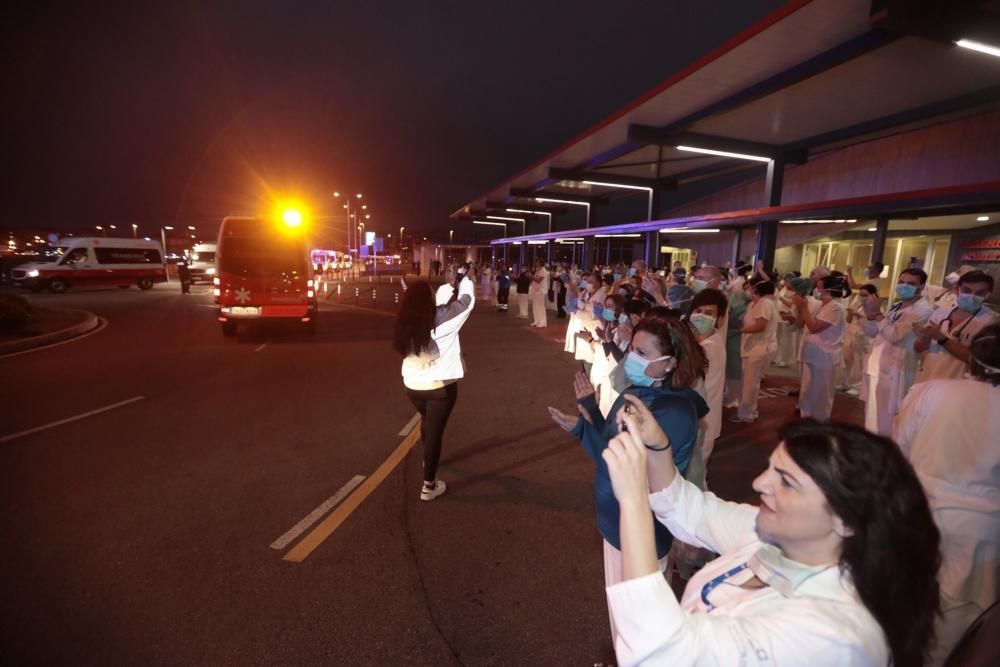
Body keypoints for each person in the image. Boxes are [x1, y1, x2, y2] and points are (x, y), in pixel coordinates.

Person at [602, 403, 940, 667]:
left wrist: (632, 501)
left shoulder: (834, 636)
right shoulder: (780, 541)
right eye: (770, 469)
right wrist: (657, 447)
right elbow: (690, 510)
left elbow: (662, 654)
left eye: (786, 482)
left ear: (847, 522)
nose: (759, 483)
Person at [547, 316, 708, 643]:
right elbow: (612, 441)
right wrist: (588, 410)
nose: (632, 358)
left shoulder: (675, 412)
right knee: (622, 611)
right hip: (614, 521)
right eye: (632, 349)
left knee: (642, 621)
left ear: (670, 363)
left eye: (643, 353)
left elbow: (628, 469)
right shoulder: (636, 393)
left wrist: (581, 430)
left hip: (641, 530)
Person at [893, 325, 1000, 665]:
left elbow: (899, 450)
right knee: (955, 626)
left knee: (904, 608)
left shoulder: (929, 392)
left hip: (918, 514)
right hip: (982, 534)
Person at [393, 269, 475, 501]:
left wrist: (451, 285)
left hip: (412, 386)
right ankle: (429, 485)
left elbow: (436, 304)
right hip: (439, 386)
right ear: (428, 300)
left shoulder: (404, 320)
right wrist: (466, 281)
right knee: (435, 432)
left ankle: (427, 460)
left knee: (427, 421)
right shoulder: (442, 316)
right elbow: (466, 303)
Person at [859, 268, 933, 435]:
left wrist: (877, 314)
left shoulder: (923, 310)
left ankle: (885, 455)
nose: (904, 286)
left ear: (921, 286)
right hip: (876, 366)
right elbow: (873, 332)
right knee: (871, 416)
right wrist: (869, 315)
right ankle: (872, 451)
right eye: (901, 282)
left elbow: (895, 335)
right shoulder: (896, 306)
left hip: (895, 372)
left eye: (911, 283)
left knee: (887, 420)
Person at [914, 270, 999, 382]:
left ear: (988, 294)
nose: (971, 296)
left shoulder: (993, 322)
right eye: (967, 290)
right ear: (958, 289)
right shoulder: (940, 313)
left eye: (979, 293)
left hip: (959, 386)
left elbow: (980, 361)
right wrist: (924, 338)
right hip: (927, 378)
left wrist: (943, 339)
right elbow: (918, 348)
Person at [792, 274, 848, 422]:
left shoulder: (836, 307)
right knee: (807, 391)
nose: (816, 289)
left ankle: (819, 423)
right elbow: (802, 323)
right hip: (813, 354)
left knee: (821, 394)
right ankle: (806, 420)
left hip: (825, 357)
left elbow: (814, 327)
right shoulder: (821, 305)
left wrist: (803, 307)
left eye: (819, 287)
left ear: (828, 290)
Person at [687, 288, 727, 468]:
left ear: (720, 319)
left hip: (702, 421)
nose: (701, 316)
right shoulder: (701, 341)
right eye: (698, 311)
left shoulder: (710, 347)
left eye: (709, 313)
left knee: (694, 475)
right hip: (694, 419)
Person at [731, 276, 778, 423]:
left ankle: (746, 413)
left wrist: (740, 331)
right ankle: (749, 409)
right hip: (752, 347)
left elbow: (760, 326)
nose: (747, 289)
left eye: (749, 286)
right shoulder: (754, 303)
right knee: (748, 381)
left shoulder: (765, 303)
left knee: (750, 383)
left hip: (759, 348)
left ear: (755, 288)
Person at [529, 260, 549, 328]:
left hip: (541, 291)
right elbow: (535, 279)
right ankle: (537, 320)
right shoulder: (538, 270)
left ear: (540, 263)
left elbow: (538, 280)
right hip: (535, 290)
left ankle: (543, 322)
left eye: (537, 262)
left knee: (540, 306)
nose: (536, 264)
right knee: (535, 306)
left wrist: (531, 276)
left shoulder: (543, 271)